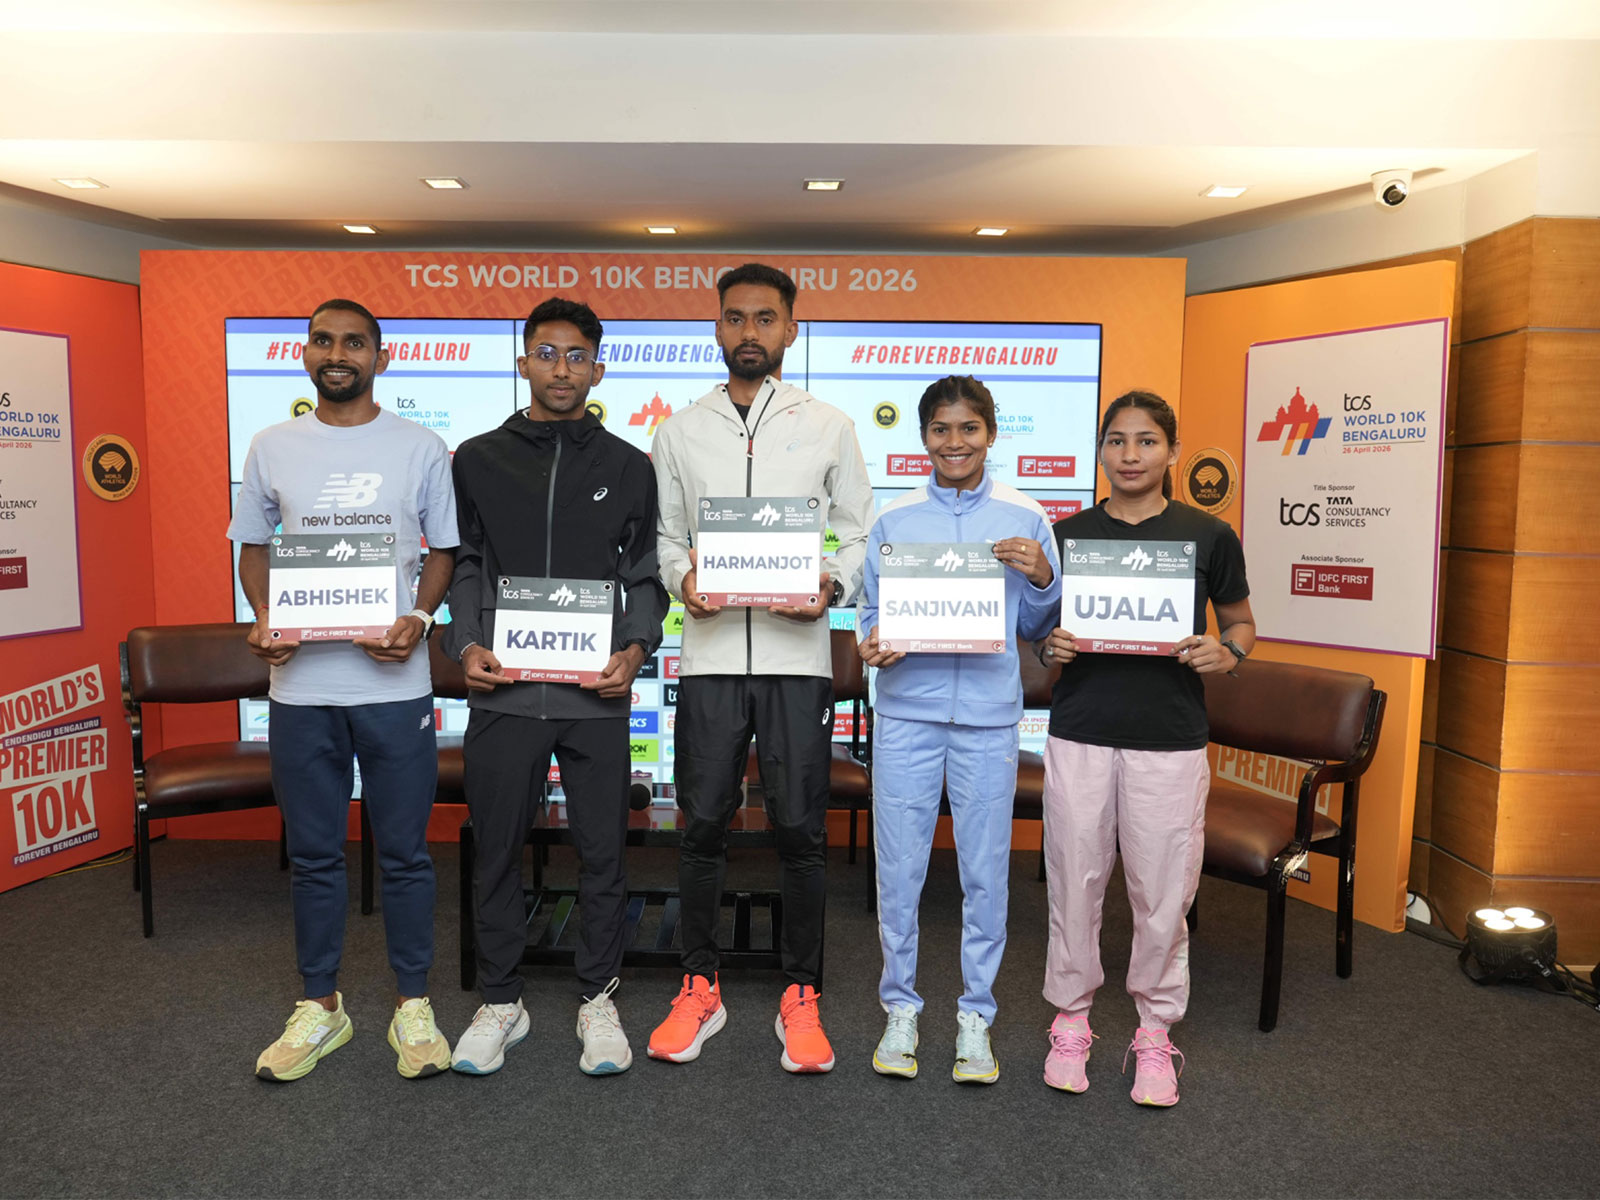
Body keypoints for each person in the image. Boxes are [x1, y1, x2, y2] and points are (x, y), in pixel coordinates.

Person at [647, 263, 874, 1073]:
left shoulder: (829, 425)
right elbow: (667, 540)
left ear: (791, 329)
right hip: (709, 660)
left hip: (796, 662)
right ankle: (698, 983)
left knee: (799, 831)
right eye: (735, 318)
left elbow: (855, 533)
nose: (750, 332)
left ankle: (800, 992)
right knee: (702, 824)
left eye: (765, 319)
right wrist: (684, 582)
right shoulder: (679, 431)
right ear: (716, 328)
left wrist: (832, 585)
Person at [230, 298, 459, 1081]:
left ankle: (412, 1007)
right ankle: (320, 1007)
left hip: (395, 688)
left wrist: (420, 618)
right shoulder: (270, 446)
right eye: (323, 340)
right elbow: (252, 549)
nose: (338, 353)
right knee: (318, 854)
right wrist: (264, 615)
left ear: (380, 357)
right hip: (300, 688)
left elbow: (443, 552)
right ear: (305, 355)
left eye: (354, 342)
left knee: (403, 855)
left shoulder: (420, 445)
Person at [443, 297, 668, 1077]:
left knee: (602, 854)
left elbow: (642, 575)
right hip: (504, 693)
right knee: (497, 851)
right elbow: (465, 562)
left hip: (594, 698)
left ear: (598, 369)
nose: (561, 368)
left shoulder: (628, 467)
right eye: (547, 353)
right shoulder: (475, 457)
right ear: (523, 362)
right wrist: (466, 641)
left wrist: (637, 647)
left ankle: (596, 998)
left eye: (577, 356)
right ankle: (502, 1000)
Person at [1038, 390, 1254, 1107]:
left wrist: (1228, 655)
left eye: (1146, 442)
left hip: (1168, 739)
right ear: (1100, 451)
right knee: (1075, 883)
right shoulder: (1064, 536)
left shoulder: (1208, 535)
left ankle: (1154, 1034)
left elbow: (1242, 626)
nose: (1130, 455)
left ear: (1172, 451)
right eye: (1117, 442)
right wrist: (1050, 644)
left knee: (1163, 894)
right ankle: (1071, 1022)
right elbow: (1036, 637)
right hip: (1081, 731)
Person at [856, 375, 1061, 1084]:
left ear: (992, 434)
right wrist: (873, 640)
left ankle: (976, 1017)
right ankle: (901, 1009)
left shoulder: (1028, 516)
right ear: (923, 438)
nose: (955, 442)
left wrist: (1042, 580)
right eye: (941, 429)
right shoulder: (894, 520)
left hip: (987, 719)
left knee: (983, 873)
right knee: (901, 870)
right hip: (907, 714)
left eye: (968, 428)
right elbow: (869, 616)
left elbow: (1039, 630)